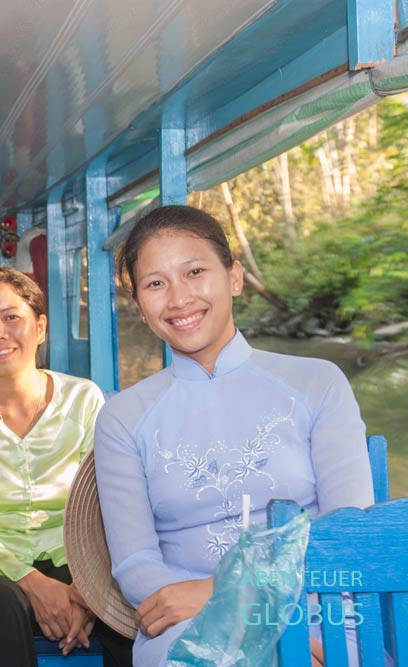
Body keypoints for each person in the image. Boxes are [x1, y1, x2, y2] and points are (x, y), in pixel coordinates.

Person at [93, 205, 376, 666]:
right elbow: (135, 563)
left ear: (235, 278)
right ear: (141, 307)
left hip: (319, 605)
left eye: (195, 272)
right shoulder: (122, 418)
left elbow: (346, 531)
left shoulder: (317, 383)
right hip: (188, 620)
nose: (179, 298)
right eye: (156, 283)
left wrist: (238, 599)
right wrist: (218, 608)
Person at [0, 266, 134, 667]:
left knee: (130, 609)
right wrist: (33, 583)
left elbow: (107, 505)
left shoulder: (83, 399)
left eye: (11, 318)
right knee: (2, 606)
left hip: (76, 558)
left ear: (40, 327)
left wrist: (87, 592)